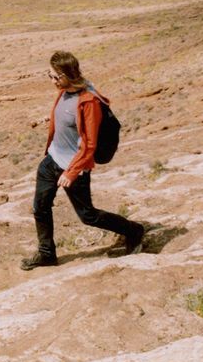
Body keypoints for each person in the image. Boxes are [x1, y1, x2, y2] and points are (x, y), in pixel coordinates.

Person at [21, 50, 145, 270]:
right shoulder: (64, 91)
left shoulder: (88, 101)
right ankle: (47, 254)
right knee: (40, 208)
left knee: (87, 216)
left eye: (54, 77)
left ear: (66, 75)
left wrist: (71, 172)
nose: (51, 81)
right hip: (51, 161)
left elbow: (89, 144)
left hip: (73, 167)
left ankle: (133, 230)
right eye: (49, 75)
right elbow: (67, 117)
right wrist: (47, 119)